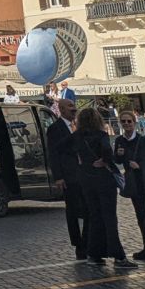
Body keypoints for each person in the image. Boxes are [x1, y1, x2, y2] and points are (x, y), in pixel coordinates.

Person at [73, 106, 136, 270]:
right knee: (109, 218)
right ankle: (119, 257)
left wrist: (82, 164)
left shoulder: (76, 136)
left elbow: (62, 149)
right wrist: (105, 161)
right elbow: (107, 151)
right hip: (103, 180)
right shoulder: (101, 135)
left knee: (95, 217)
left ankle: (94, 254)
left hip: (86, 180)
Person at [46, 99, 88, 260]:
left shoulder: (80, 126)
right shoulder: (54, 129)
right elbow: (53, 154)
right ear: (62, 109)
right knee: (72, 211)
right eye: (70, 106)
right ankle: (78, 245)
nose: (74, 109)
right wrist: (58, 177)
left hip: (84, 173)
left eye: (74, 106)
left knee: (89, 209)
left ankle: (87, 241)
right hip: (69, 175)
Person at [114, 108, 145, 261]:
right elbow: (117, 160)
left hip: (144, 179)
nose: (127, 124)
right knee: (141, 216)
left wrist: (139, 166)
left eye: (129, 121)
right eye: (124, 121)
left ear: (134, 123)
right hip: (134, 184)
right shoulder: (119, 141)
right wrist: (119, 155)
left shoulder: (142, 140)